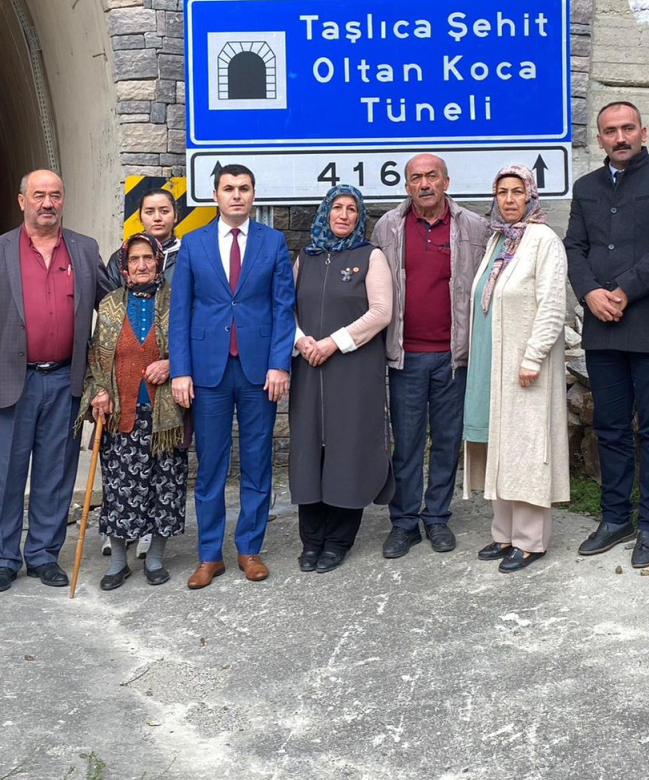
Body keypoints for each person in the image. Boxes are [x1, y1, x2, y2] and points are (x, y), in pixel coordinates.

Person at [564, 102, 649, 569]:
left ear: (643, 131)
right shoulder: (586, 187)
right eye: (610, 131)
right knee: (610, 427)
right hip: (602, 328)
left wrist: (623, 290)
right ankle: (616, 518)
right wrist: (591, 292)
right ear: (600, 139)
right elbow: (574, 246)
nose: (620, 137)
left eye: (627, 128)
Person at [168, 163, 296, 588]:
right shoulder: (193, 243)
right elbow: (181, 313)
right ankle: (209, 555)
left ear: (253, 195)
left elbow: (283, 308)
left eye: (243, 188)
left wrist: (280, 363)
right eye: (228, 188)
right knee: (211, 466)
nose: (236, 195)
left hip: (260, 370)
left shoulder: (273, 242)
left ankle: (249, 549)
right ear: (216, 196)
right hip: (208, 371)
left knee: (258, 462)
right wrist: (181, 371)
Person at [0, 170, 104, 591]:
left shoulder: (84, 250)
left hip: (65, 380)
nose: (47, 203)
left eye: (55, 195)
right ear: (22, 201)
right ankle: (1, 559)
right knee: (6, 474)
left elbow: (113, 306)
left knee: (56, 473)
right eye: (39, 195)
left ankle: (44, 554)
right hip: (13, 380)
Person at [371, 154, 490, 559]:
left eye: (432, 176)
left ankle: (437, 517)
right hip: (405, 356)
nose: (425, 184)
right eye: (416, 178)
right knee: (405, 444)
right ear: (407, 186)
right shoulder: (387, 226)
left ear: (446, 181)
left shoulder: (473, 226)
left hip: (453, 357)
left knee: (446, 441)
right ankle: (404, 522)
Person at [464, 166, 569, 573]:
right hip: (492, 360)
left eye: (517, 192)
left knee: (525, 449)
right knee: (498, 445)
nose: (509, 199)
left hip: (525, 364)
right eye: (502, 192)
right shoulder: (498, 240)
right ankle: (503, 533)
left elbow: (552, 305)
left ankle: (530, 541)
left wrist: (533, 356)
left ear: (531, 196)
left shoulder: (543, 240)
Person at [290, 185, 394, 572]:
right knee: (308, 450)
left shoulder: (370, 256)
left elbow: (381, 312)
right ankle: (311, 539)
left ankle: (337, 541)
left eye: (352, 209)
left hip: (352, 368)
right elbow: (287, 306)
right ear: (326, 212)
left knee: (347, 448)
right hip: (309, 367)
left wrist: (333, 343)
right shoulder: (306, 257)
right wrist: (302, 343)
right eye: (338, 207)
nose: (344, 215)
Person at [81, 234, 188, 589]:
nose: (141, 265)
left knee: (165, 486)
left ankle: (155, 557)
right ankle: (118, 562)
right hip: (122, 412)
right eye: (134, 260)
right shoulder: (111, 305)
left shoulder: (177, 302)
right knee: (121, 488)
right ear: (124, 267)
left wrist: (172, 364)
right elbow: (97, 356)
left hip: (164, 415)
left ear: (159, 262)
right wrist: (99, 391)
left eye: (148, 258)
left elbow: (193, 347)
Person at [99, 187, 181, 293]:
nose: (157, 218)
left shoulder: (186, 255)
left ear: (175, 216)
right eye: (149, 212)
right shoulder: (121, 258)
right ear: (141, 218)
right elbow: (108, 300)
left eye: (164, 211)